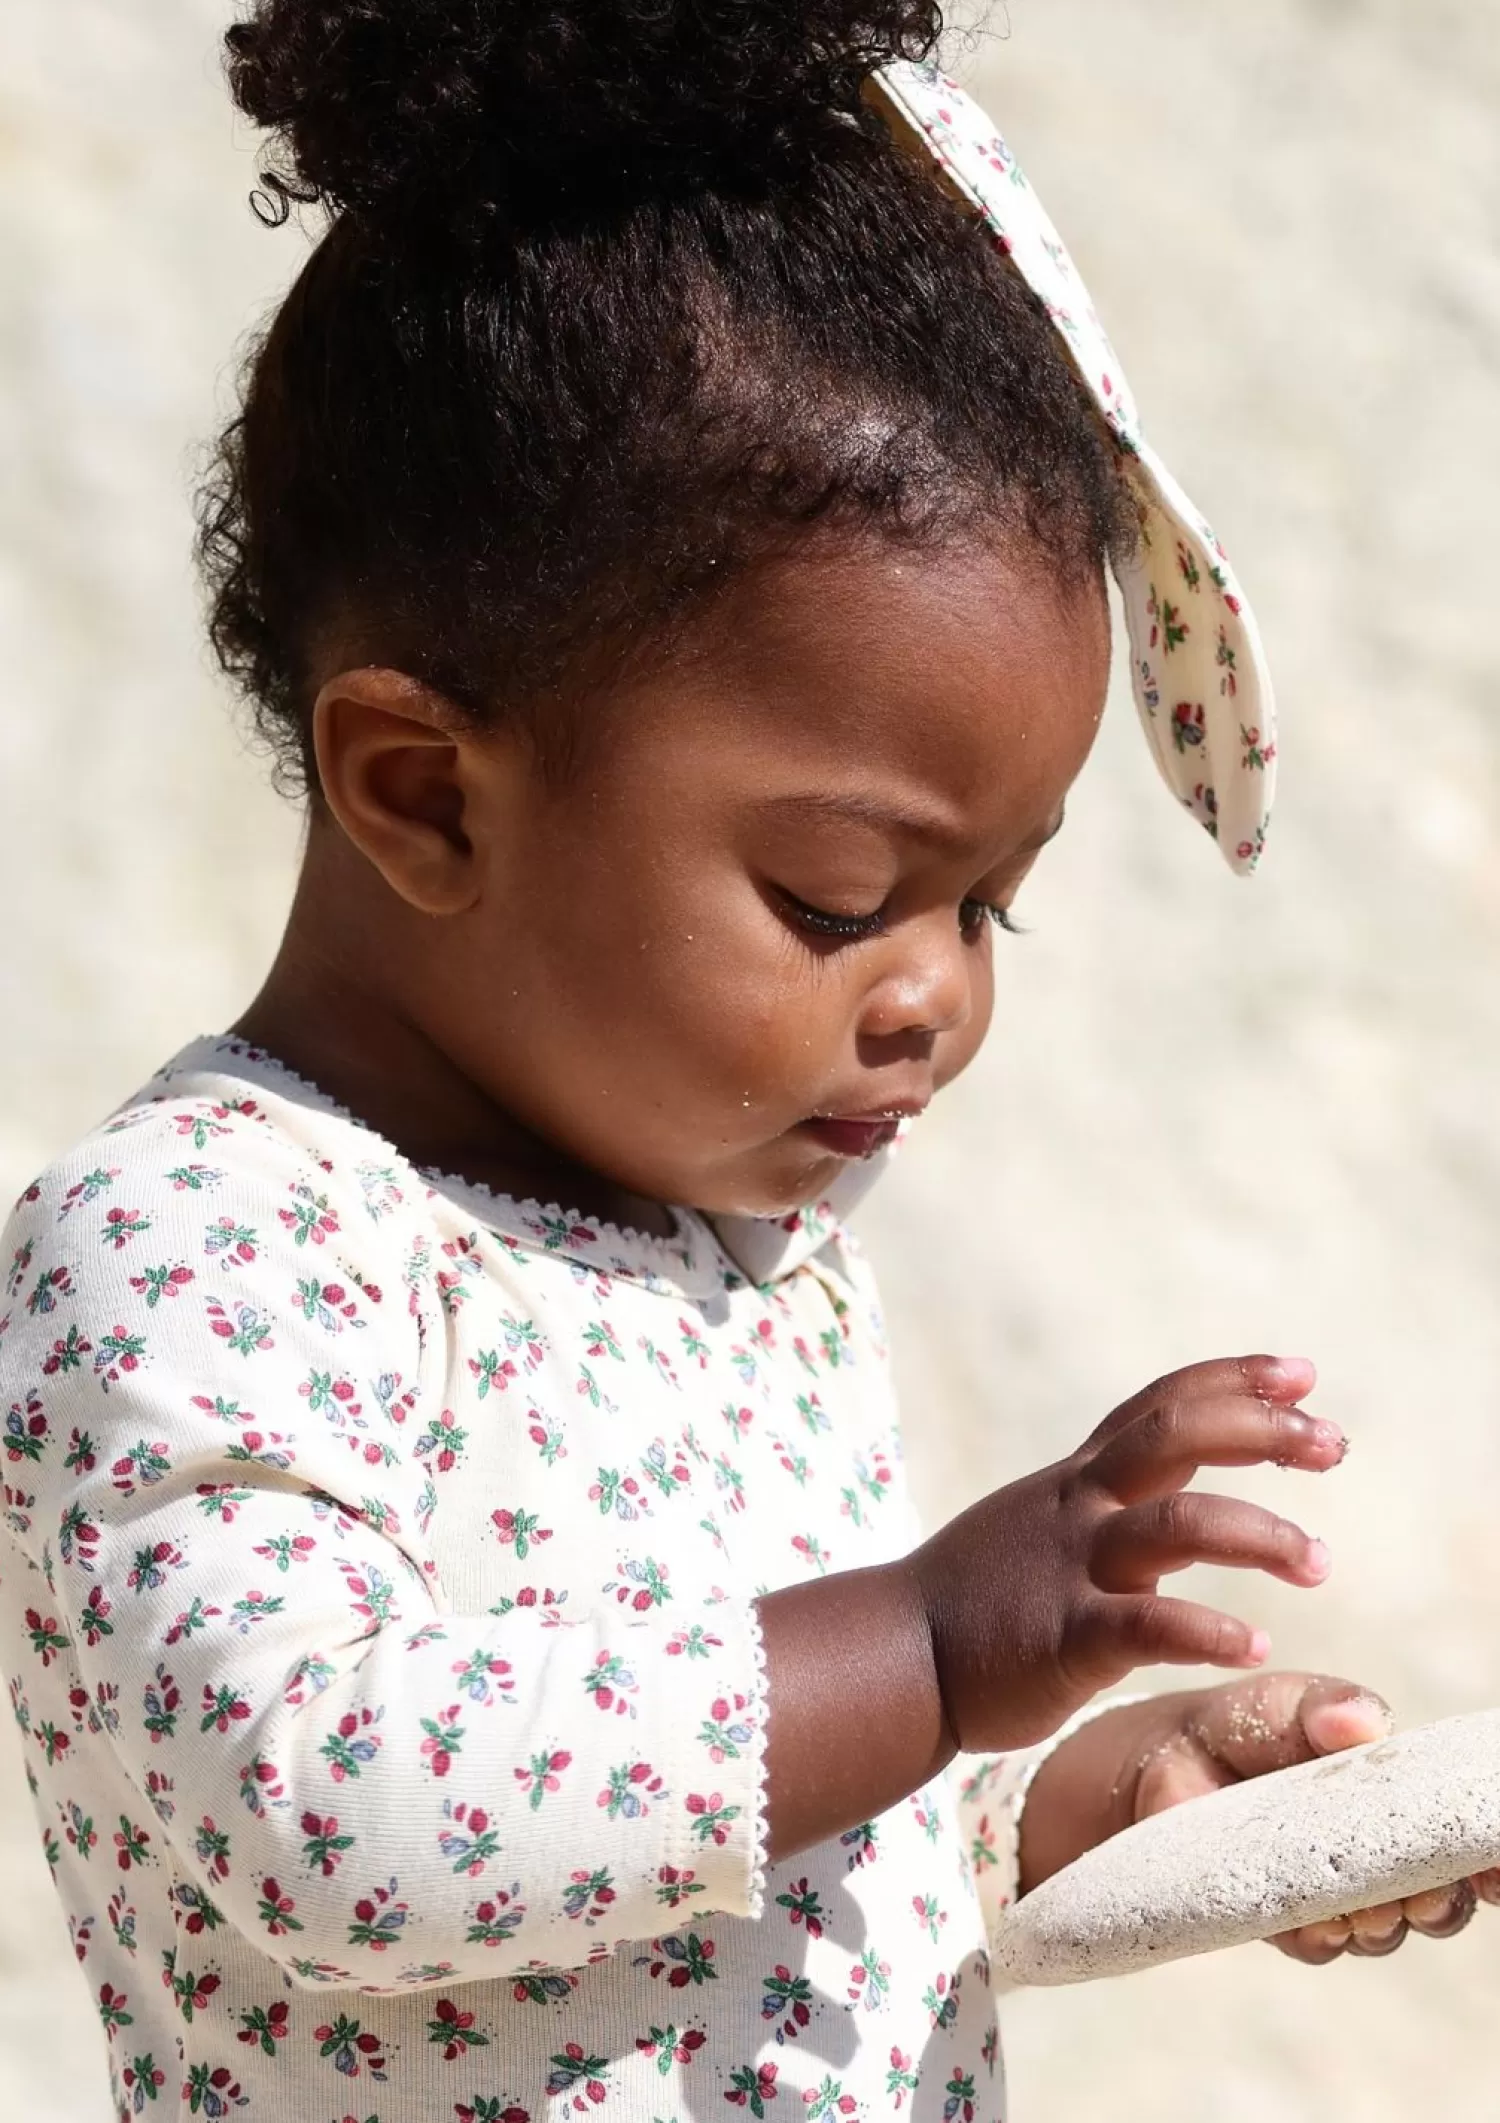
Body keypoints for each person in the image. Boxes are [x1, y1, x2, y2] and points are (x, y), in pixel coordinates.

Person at [0, 6, 1479, 2121]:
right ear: (423, 791)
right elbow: (323, 1814)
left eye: (993, 903)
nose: (936, 997)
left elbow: (729, 1883)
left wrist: (1077, 1816)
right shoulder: (200, 1238)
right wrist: (930, 1653)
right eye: (836, 891)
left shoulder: (752, 1269)